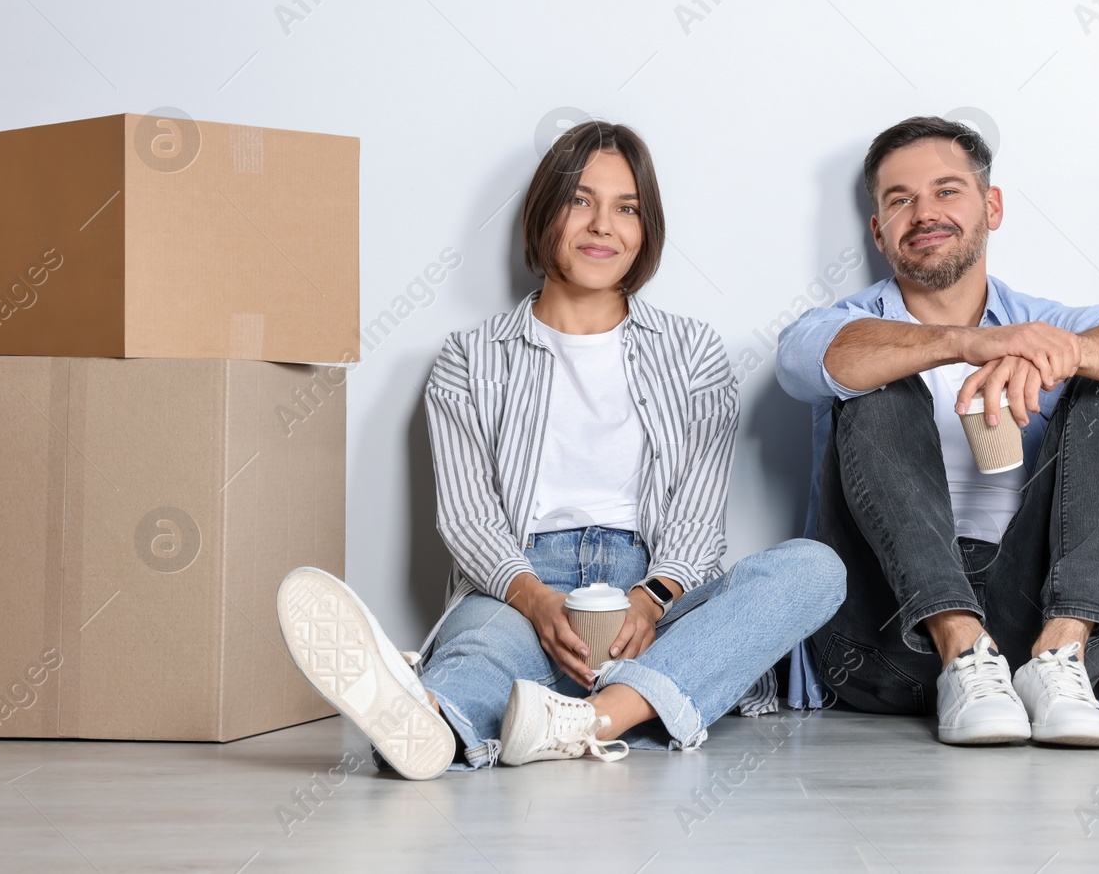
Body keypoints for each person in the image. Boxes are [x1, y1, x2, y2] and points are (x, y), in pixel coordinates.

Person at [278, 120, 845, 779]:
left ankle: (588, 720)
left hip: (653, 589)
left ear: (645, 227)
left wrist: (649, 599)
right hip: (519, 584)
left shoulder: (692, 353)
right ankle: (427, 717)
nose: (604, 225)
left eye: (626, 208)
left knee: (814, 568)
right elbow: (467, 517)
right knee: (480, 657)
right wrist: (535, 600)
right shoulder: (470, 358)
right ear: (544, 211)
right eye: (581, 200)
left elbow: (696, 519)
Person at [776, 116, 1099, 748]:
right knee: (877, 384)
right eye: (900, 200)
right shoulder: (848, 324)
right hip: (886, 635)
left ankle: (1063, 657)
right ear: (878, 231)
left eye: (948, 190)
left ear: (990, 207)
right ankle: (959, 648)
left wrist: (1061, 354)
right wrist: (969, 343)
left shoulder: (1045, 324)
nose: (924, 212)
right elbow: (804, 360)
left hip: (1031, 620)